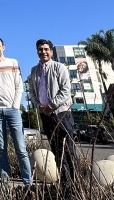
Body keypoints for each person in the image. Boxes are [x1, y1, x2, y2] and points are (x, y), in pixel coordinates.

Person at [28, 38, 77, 183]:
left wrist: (51, 106)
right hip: (45, 115)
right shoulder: (34, 71)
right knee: (57, 150)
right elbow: (31, 91)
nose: (43, 52)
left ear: (51, 51)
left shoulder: (59, 67)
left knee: (69, 151)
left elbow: (66, 91)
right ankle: (65, 184)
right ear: (37, 51)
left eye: (46, 49)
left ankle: (76, 184)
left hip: (62, 114)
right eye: (40, 49)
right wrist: (39, 106)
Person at [0, 37, 32, 185]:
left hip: (13, 110)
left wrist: (15, 105)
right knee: (0, 148)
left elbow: (19, 85)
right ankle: (4, 181)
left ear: (3, 47)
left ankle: (27, 182)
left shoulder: (13, 62)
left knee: (21, 148)